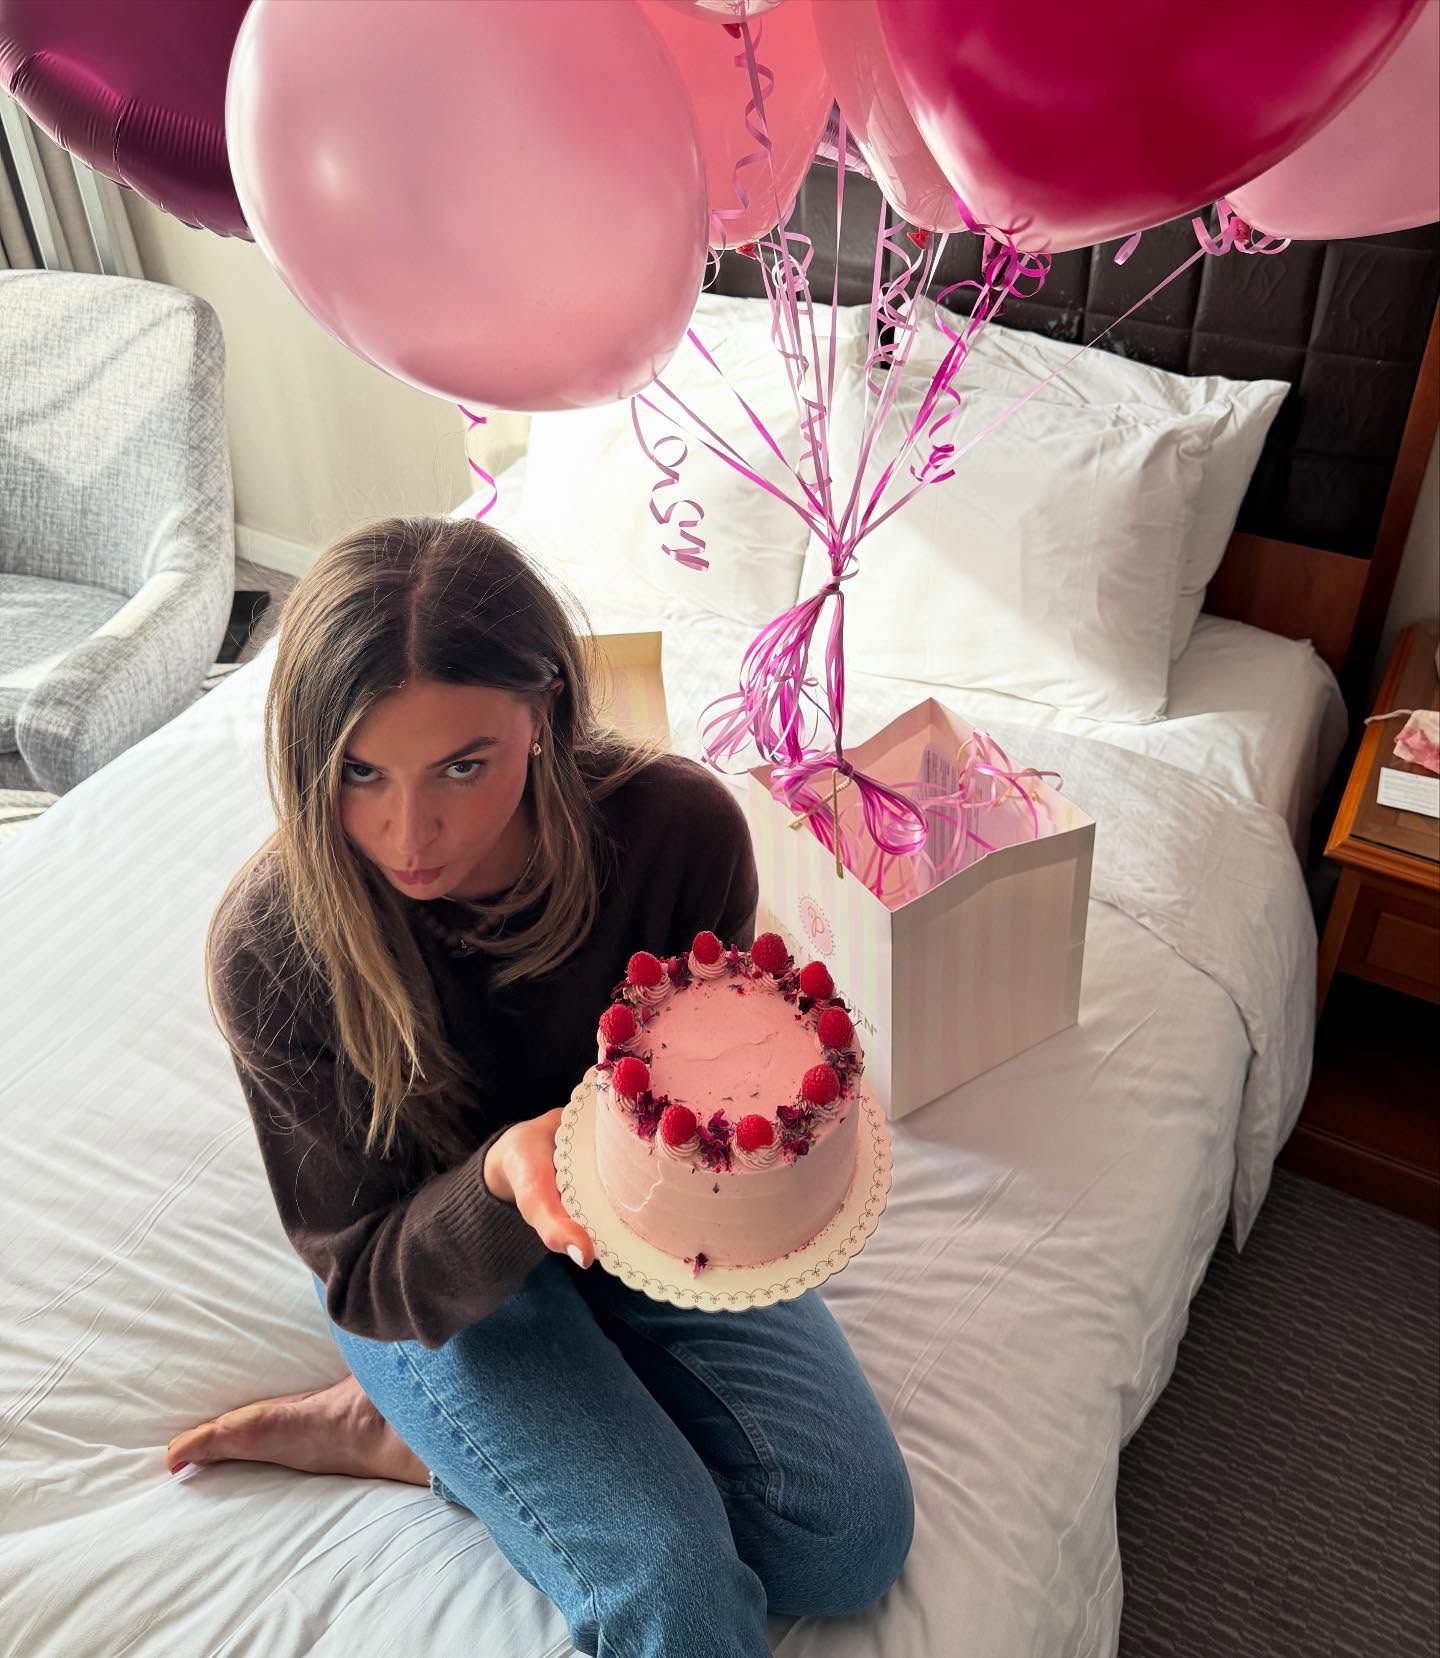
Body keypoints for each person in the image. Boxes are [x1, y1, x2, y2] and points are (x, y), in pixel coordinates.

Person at [168, 516, 914, 1657]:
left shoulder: (678, 831)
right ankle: (429, 1423)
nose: (408, 833)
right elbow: (362, 1273)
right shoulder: (276, 948)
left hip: (655, 1212)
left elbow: (718, 1094)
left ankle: (433, 1447)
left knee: (848, 1539)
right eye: (360, 773)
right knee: (673, 1581)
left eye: (463, 765)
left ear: (546, 707)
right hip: (434, 1275)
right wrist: (505, 1183)